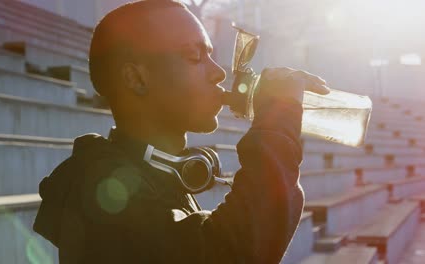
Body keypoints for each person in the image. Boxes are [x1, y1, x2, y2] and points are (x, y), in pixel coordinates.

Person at [33, 0, 329, 263]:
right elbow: (228, 253)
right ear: (136, 78)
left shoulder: (153, 171)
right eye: (194, 56)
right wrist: (278, 122)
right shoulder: (101, 191)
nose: (219, 72)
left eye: (211, 55)